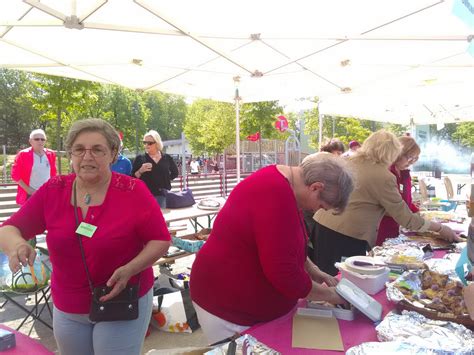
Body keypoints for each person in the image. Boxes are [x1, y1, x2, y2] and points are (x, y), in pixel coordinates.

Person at [0, 118, 171, 355]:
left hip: (121, 300)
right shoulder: (53, 189)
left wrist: (131, 269)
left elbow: (160, 240)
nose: (87, 156)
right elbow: (8, 229)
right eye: (79, 149)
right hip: (68, 305)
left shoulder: (133, 191)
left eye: (97, 149)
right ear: (71, 154)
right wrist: (17, 245)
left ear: (113, 154)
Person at [190, 153, 354, 344]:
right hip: (227, 307)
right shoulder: (275, 194)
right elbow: (284, 272)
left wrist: (314, 270)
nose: (316, 211)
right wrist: (331, 295)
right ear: (316, 187)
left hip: (246, 304)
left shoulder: (286, 184)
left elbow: (288, 244)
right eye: (320, 205)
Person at [312, 130, 461, 276]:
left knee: (324, 274)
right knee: (343, 280)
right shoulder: (383, 176)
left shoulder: (348, 160)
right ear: (391, 153)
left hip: (321, 223)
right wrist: (440, 228)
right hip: (347, 235)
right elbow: (407, 219)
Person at [375, 136, 420, 245]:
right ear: (399, 153)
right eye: (409, 157)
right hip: (385, 227)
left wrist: (415, 210)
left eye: (414, 159)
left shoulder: (404, 173)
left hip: (400, 225)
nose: (411, 162)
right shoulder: (387, 173)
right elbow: (390, 205)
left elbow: (404, 200)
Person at [131, 130, 179, 209]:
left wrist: (165, 180)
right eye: (144, 142)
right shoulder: (140, 158)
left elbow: (175, 173)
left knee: (163, 220)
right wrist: (140, 171)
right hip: (145, 196)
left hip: (163, 196)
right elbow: (132, 178)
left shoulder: (167, 158)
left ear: (157, 143)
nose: (146, 145)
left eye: (149, 143)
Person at [11, 129, 57, 205]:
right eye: (37, 139)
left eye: (43, 139)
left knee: (45, 216)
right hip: (29, 195)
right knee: (29, 217)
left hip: (46, 194)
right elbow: (15, 175)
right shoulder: (23, 154)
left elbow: (53, 173)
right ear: (30, 141)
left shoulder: (50, 154)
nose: (40, 141)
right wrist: (29, 190)